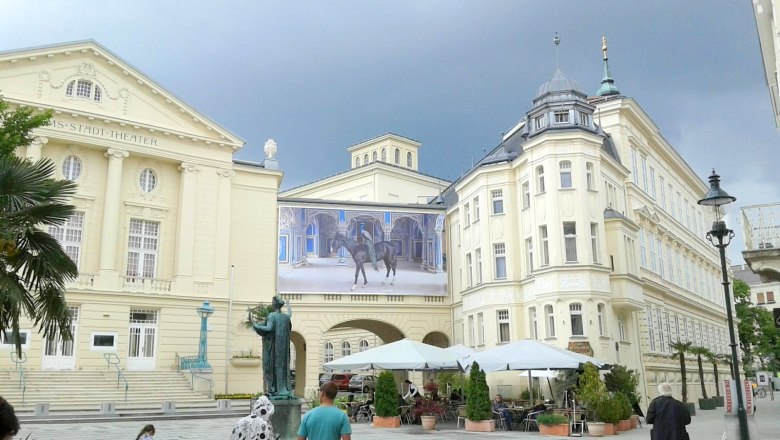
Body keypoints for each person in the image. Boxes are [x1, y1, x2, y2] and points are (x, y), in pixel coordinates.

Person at [252, 295, 294, 399]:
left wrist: (257, 326)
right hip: (283, 350)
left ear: (274, 304)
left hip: (274, 350)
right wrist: (288, 305)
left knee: (271, 367)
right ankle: (283, 389)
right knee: (283, 367)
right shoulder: (285, 317)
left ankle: (275, 389)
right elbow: (289, 314)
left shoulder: (271, 316)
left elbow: (269, 328)